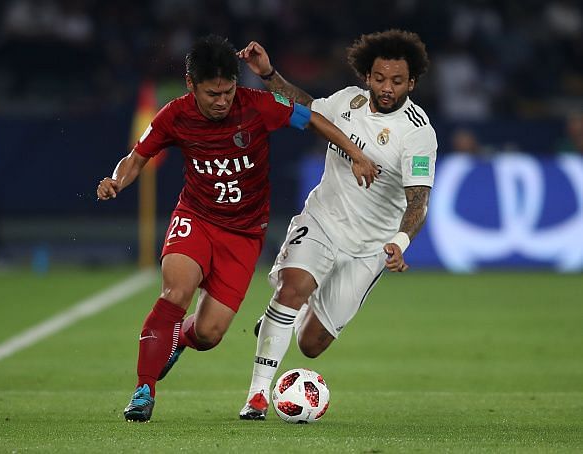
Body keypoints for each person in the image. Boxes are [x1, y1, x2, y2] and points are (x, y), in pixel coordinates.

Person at [96, 34, 378, 422]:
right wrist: (115, 181)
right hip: (196, 217)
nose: (222, 100)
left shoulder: (258, 106)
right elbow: (136, 157)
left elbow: (312, 118)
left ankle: (179, 339)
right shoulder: (174, 115)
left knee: (209, 335)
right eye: (212, 93)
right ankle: (144, 390)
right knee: (176, 290)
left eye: (228, 91)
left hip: (244, 234)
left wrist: (357, 153)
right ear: (191, 85)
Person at [236, 29, 437, 420]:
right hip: (323, 220)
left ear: (411, 83)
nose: (386, 87)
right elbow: (306, 109)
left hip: (369, 248)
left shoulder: (418, 134)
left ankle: (279, 319)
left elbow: (418, 201)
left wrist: (400, 242)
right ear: (367, 75)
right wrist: (268, 74)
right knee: (294, 287)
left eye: (397, 81)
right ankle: (257, 395)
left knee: (311, 344)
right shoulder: (348, 101)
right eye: (380, 78)